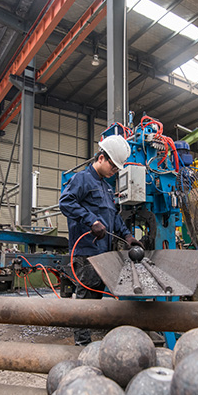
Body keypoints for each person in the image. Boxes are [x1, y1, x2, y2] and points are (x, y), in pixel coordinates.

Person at [59, 134, 143, 346]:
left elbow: (113, 216)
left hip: (102, 253)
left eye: (117, 168)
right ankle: (82, 344)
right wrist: (91, 221)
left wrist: (127, 236)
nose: (114, 170)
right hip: (86, 252)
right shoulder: (81, 179)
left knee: (95, 299)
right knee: (85, 299)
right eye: (113, 166)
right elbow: (65, 202)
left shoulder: (106, 187)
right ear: (101, 158)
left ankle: (89, 339)